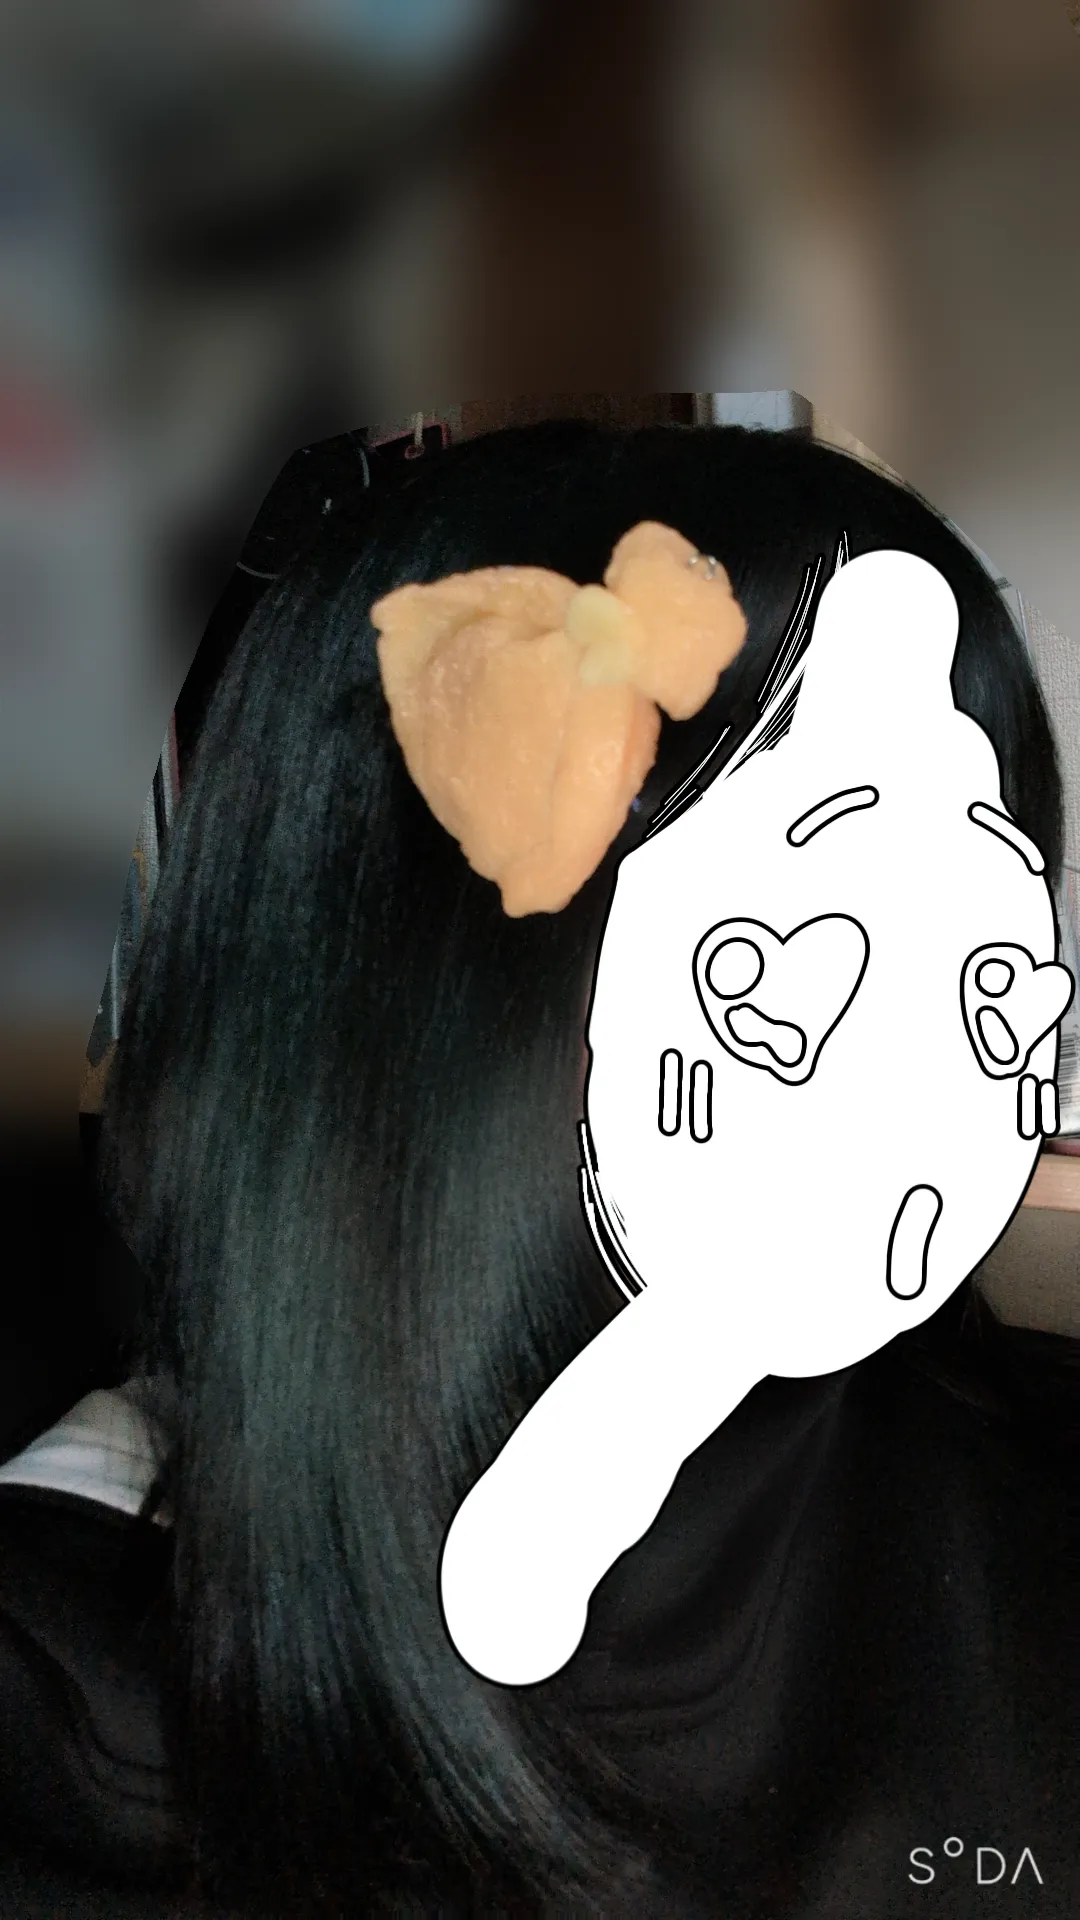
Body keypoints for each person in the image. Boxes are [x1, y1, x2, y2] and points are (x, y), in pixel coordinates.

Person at [0, 419, 1076, 1918]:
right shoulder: (72, 1737)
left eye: (991, 842)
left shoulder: (1013, 1497)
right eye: (827, 845)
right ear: (401, 974)